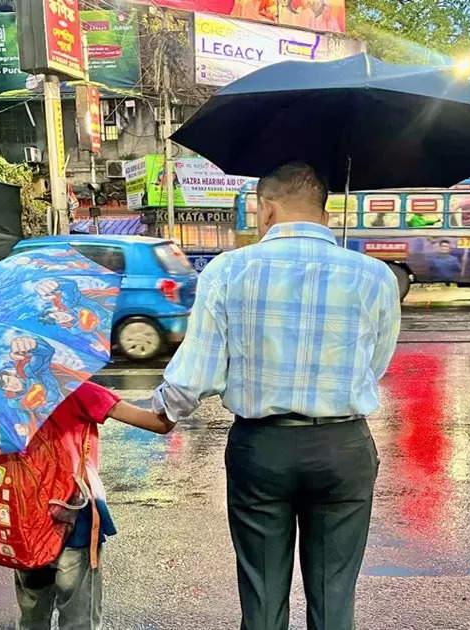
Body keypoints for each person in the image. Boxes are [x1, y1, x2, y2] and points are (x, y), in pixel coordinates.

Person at [152, 162, 402, 630]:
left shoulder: (228, 270)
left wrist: (162, 411)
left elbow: (196, 372)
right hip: (343, 446)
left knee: (262, 596)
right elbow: (375, 365)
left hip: (261, 449)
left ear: (265, 209)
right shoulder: (374, 276)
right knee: (334, 597)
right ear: (325, 212)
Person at [13, 381, 174, 630]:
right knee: (79, 618)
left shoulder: (0, 396)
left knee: (32, 616)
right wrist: (180, 392)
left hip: (23, 521)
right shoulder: (76, 390)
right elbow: (159, 423)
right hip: (72, 518)